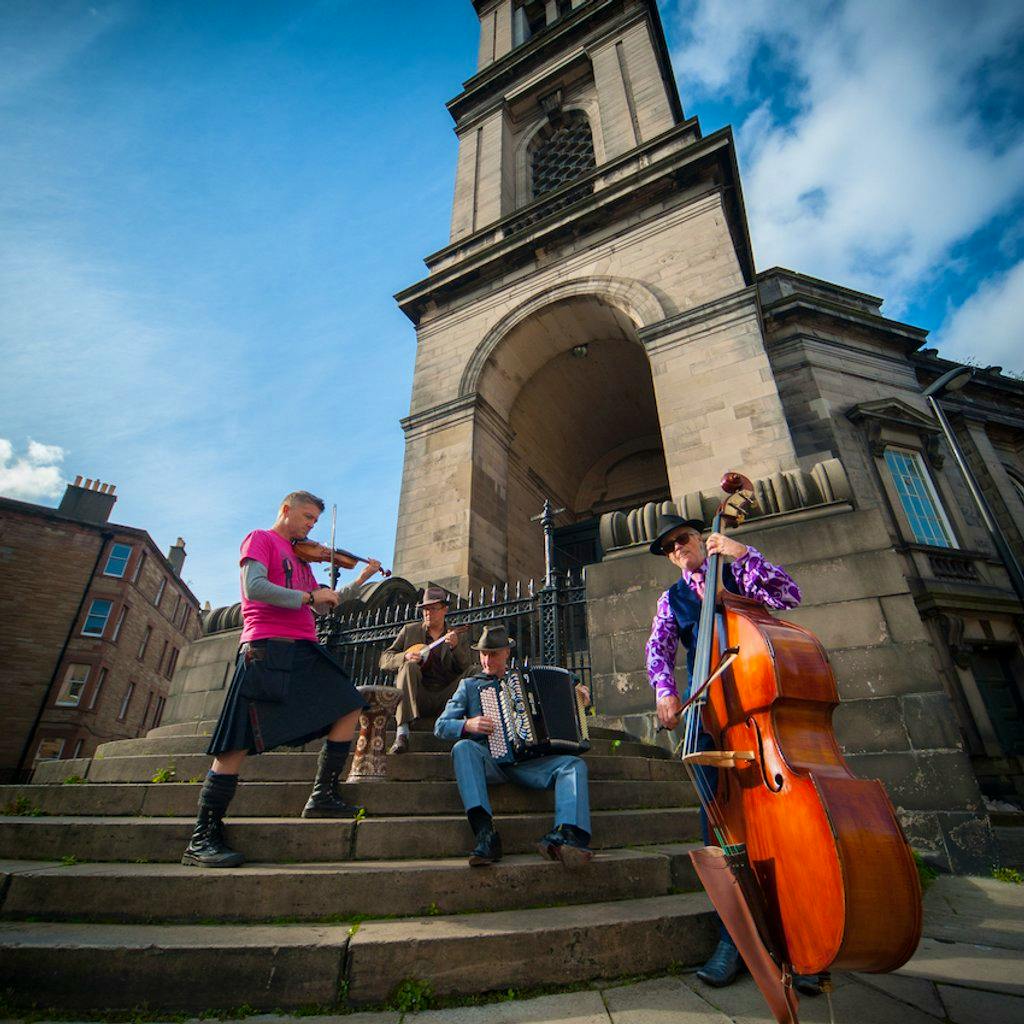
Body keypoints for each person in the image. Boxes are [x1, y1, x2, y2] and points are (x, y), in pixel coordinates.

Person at [645, 513, 814, 992]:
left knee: (781, 825)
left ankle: (797, 939)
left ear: (701, 537)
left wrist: (743, 553)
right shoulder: (670, 599)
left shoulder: (739, 571)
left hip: (757, 706)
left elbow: (789, 596)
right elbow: (658, 652)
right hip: (708, 714)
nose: (678, 549)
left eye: (683, 539)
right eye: (669, 548)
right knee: (715, 826)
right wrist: (665, 691)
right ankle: (732, 940)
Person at [181, 490, 383, 869]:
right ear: (286, 510)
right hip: (265, 648)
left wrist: (362, 579)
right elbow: (254, 588)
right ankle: (202, 836)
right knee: (234, 747)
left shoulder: (303, 559)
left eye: (315, 521)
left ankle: (322, 796)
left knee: (350, 704)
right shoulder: (261, 539)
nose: (311, 527)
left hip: (303, 648)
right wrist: (308, 596)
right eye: (307, 517)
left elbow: (326, 603)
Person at [435, 625, 593, 869]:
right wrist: (468, 724)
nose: (487, 660)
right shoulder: (469, 686)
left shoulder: (524, 678)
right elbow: (441, 726)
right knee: (463, 748)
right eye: (483, 654)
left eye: (493, 654)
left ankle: (567, 835)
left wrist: (579, 688)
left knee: (574, 765)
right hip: (490, 761)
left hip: (529, 763)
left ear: (507, 653)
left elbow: (567, 682)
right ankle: (486, 835)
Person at [379, 585, 473, 754]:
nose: (428, 613)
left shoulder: (458, 636)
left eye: (433, 608)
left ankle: (472, 729)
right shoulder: (410, 631)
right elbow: (384, 659)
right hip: (418, 695)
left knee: (476, 672)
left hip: (447, 697)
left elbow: (465, 667)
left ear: (444, 609)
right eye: (425, 609)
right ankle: (402, 734)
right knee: (408, 667)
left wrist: (455, 648)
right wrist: (404, 657)